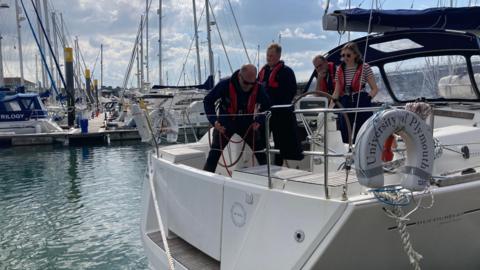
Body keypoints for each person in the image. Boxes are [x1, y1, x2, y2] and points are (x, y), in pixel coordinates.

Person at [203, 64, 270, 173]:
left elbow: (267, 107)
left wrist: (259, 121)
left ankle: (269, 179)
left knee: (261, 154)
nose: (249, 86)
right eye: (246, 83)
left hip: (248, 125)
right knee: (214, 154)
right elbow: (208, 101)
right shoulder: (224, 85)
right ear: (239, 76)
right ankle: (205, 181)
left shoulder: (258, 88)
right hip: (225, 124)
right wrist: (214, 121)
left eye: (252, 83)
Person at [258, 43, 299, 166]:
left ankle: (277, 167)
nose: (268, 58)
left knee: (280, 142)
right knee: (262, 141)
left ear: (278, 56)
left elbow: (291, 91)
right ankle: (263, 165)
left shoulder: (287, 72)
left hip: (280, 113)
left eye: (271, 55)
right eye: (267, 55)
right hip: (265, 112)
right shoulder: (263, 72)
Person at [331, 42, 379, 143]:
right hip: (345, 102)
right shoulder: (339, 70)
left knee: (364, 130)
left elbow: (374, 88)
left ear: (356, 55)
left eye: (348, 55)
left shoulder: (365, 67)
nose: (345, 57)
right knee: (345, 130)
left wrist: (368, 98)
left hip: (361, 100)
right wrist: (329, 108)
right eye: (343, 55)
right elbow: (336, 91)